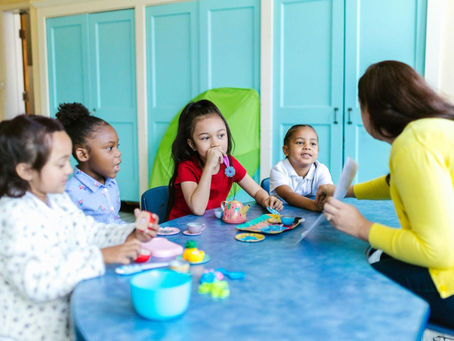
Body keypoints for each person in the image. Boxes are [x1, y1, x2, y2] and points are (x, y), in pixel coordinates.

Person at [315, 60, 454, 328]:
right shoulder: (434, 129)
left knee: (351, 280)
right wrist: (349, 191)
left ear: (372, 109)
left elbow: (437, 251)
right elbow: (398, 182)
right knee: (381, 255)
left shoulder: (412, 144)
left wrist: (361, 227)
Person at [0, 114, 159, 341]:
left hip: (63, 323)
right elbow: (35, 281)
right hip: (28, 332)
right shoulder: (12, 214)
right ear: (25, 171)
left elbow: (89, 232)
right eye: (60, 163)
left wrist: (131, 232)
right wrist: (100, 257)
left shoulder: (57, 199)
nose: (69, 170)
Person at [167, 99, 283, 220]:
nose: (215, 143)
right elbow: (198, 209)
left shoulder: (230, 164)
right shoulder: (186, 167)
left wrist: (267, 199)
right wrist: (209, 167)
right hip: (182, 228)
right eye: (205, 138)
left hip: (209, 227)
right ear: (192, 144)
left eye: (221, 135)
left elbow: (256, 191)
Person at [56, 103, 122, 223]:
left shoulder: (111, 184)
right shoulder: (70, 193)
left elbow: (115, 222)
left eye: (117, 146)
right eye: (109, 148)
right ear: (83, 154)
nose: (118, 153)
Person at [270, 124, 332, 211]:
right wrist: (314, 206)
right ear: (286, 150)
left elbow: (327, 191)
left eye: (313, 143)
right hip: (284, 216)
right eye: (300, 142)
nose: (307, 147)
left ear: (318, 150)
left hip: (313, 216)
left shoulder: (321, 170)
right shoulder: (279, 169)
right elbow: (288, 195)